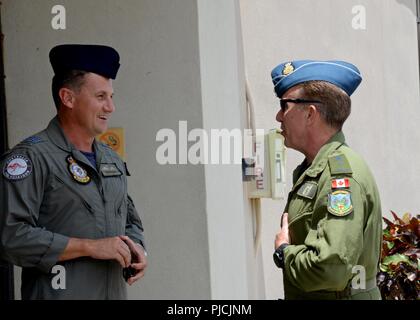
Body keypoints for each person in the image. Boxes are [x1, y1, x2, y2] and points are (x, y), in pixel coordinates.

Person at [0, 44, 147, 299]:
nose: (110, 107)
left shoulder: (111, 159)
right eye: (101, 97)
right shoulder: (30, 158)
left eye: (111, 97)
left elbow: (130, 220)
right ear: (68, 98)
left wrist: (138, 250)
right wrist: (89, 247)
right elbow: (11, 236)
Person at [271, 60, 382, 300]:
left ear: (310, 113)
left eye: (284, 105)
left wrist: (283, 252)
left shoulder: (339, 176)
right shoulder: (316, 169)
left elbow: (330, 269)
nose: (278, 116)